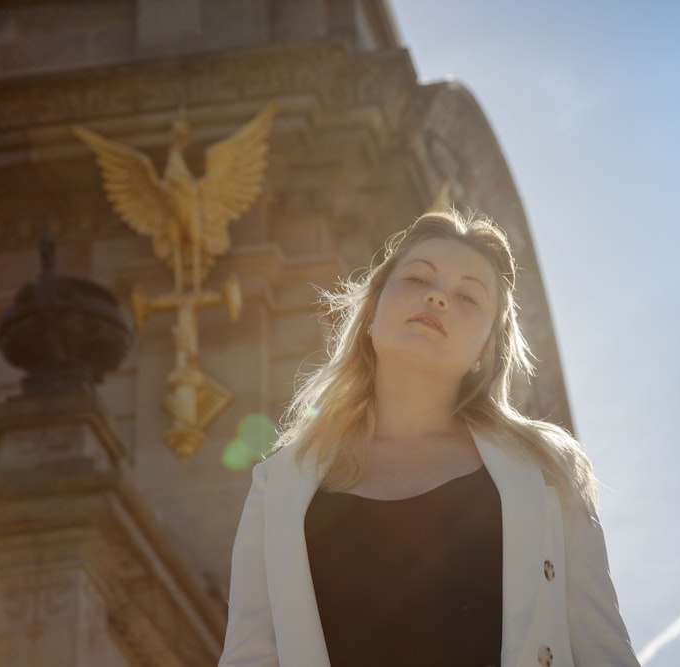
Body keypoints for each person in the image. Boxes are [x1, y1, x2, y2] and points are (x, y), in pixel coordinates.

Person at [218, 210, 641, 667]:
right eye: (419, 279)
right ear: (372, 313)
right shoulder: (278, 485)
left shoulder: (548, 469)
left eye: (468, 296)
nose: (438, 297)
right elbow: (247, 657)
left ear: (485, 349)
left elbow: (605, 650)